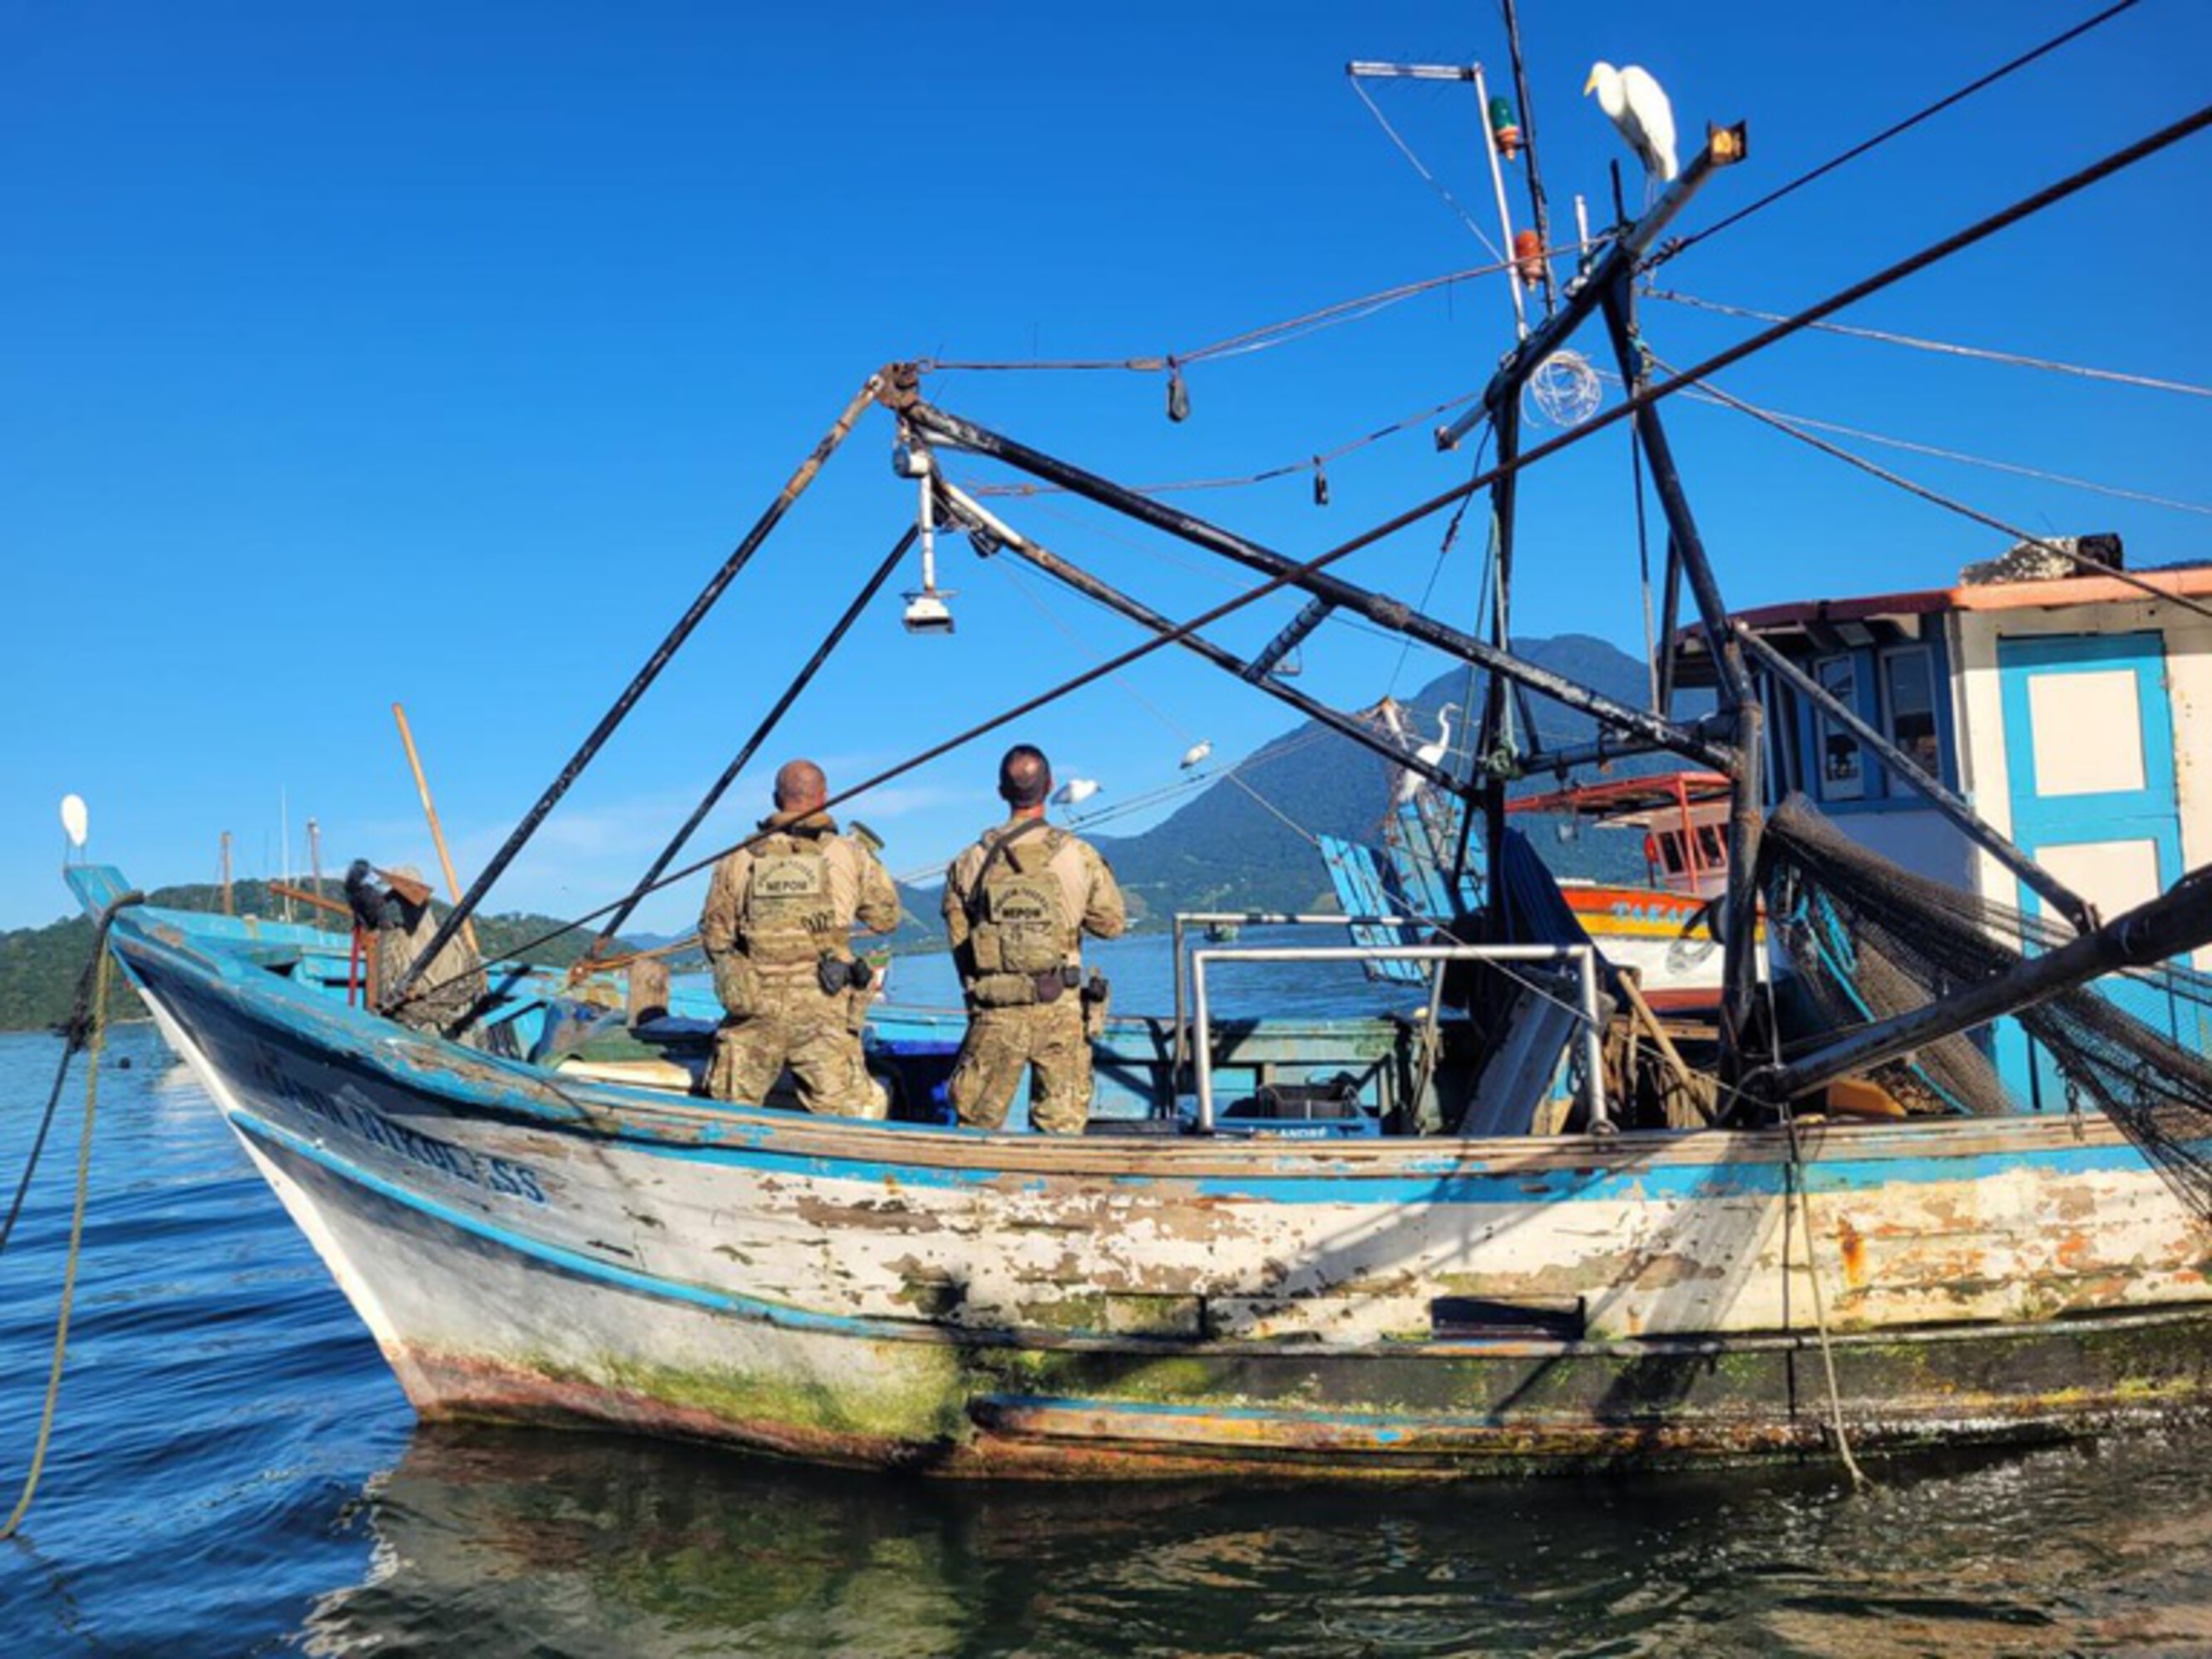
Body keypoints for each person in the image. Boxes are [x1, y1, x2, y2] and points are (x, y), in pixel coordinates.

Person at [942, 744, 1126, 1133]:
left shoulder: (968, 862)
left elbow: (960, 943)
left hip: (996, 1010)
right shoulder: (1080, 854)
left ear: (1001, 791)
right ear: (1051, 786)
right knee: (1060, 1131)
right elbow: (1111, 924)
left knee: (976, 1128)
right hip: (1061, 1008)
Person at [699, 758, 901, 1114]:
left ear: (777, 799)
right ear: (824, 797)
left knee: (731, 1118)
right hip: (827, 1008)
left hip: (755, 1009)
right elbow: (886, 919)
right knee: (840, 1123)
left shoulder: (737, 859)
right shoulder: (851, 854)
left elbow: (716, 938)